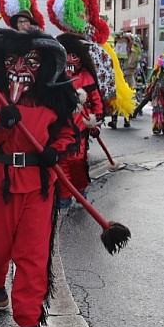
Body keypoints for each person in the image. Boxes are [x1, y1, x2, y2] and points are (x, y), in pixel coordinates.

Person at [0, 28, 79, 327]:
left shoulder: (54, 99)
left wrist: (55, 152)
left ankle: (30, 320)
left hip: (38, 187)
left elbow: (68, 135)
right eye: (12, 60)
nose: (20, 67)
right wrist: (2, 123)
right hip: (1, 181)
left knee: (33, 255)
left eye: (30, 61)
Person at [46, 0, 135, 129]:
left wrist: (99, 105)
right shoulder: (57, 44)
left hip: (87, 101)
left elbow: (101, 76)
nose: (82, 16)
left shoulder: (95, 47)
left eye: (84, 13)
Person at [55, 32, 103, 212]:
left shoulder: (86, 76)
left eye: (73, 55)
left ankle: (80, 192)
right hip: (60, 128)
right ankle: (64, 198)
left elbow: (96, 100)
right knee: (62, 163)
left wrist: (95, 120)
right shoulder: (56, 75)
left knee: (77, 162)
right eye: (66, 54)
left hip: (81, 127)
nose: (69, 59)